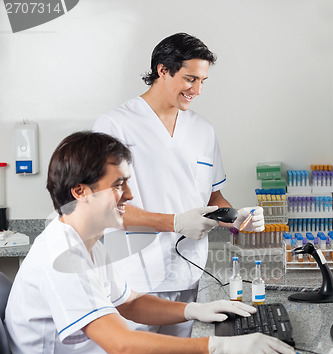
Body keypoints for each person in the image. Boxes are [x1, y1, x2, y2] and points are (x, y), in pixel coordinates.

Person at [5, 132, 294, 354]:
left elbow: (130, 302)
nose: (129, 195)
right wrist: (220, 347)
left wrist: (194, 309)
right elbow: (125, 348)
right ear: (80, 191)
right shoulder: (60, 257)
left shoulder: (83, 237)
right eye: (119, 185)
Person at [93, 32, 265, 338]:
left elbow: (213, 195)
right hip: (136, 281)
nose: (197, 90)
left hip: (191, 276)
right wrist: (174, 222)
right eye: (190, 79)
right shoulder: (115, 125)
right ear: (162, 69)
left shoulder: (203, 130)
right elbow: (103, 208)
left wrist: (238, 218)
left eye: (202, 81)